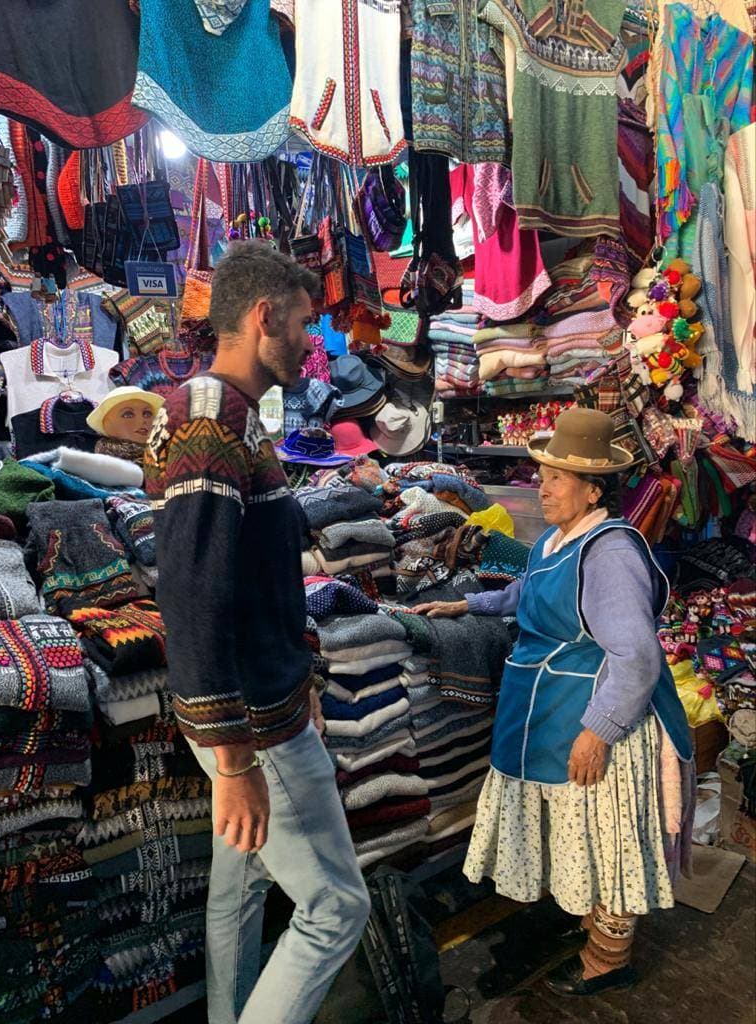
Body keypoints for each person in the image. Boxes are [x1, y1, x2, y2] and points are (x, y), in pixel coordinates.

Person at [144, 241, 370, 1024]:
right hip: (254, 726)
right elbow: (194, 594)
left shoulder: (234, 418)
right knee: (337, 908)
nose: (313, 342)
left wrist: (300, 676)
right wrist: (238, 756)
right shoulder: (211, 421)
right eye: (305, 324)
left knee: (237, 886)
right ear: (264, 317)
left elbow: (253, 582)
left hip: (259, 709)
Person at [412, 407, 694, 997]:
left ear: (594, 489)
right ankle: (592, 926)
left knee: (607, 841)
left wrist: (600, 731)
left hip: (593, 717)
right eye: (543, 473)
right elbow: (529, 589)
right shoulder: (556, 540)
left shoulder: (610, 553)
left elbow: (637, 657)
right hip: (551, 708)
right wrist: (468, 607)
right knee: (582, 838)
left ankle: (608, 960)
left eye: (558, 477)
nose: (542, 486)